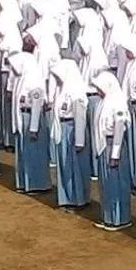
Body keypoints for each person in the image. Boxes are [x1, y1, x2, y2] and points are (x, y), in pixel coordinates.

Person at [92, 72, 132, 232]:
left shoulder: (118, 102)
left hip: (114, 145)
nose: (98, 91)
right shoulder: (104, 101)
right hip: (104, 144)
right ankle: (108, 216)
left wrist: (115, 154)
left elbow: (119, 129)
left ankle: (119, 218)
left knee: (116, 182)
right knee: (106, 183)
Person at [49, 60, 91, 210]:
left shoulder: (76, 91)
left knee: (75, 166)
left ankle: (78, 198)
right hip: (63, 127)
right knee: (64, 165)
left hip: (73, 130)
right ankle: (66, 197)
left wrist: (79, 140)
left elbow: (80, 116)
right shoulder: (61, 89)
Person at [8, 52, 51, 194]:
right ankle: (24, 183)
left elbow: (37, 104)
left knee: (34, 153)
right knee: (23, 151)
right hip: (22, 116)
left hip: (32, 118)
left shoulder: (34, 80)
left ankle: (36, 184)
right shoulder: (21, 79)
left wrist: (33, 127)